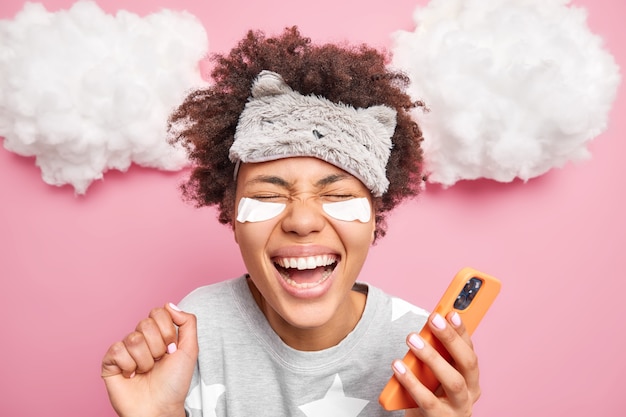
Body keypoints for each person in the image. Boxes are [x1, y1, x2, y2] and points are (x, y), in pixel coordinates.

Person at [101, 27, 481, 417]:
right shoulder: (195, 335)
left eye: (336, 195)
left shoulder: (420, 350)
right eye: (268, 196)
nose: (301, 220)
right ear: (233, 216)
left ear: (373, 217)